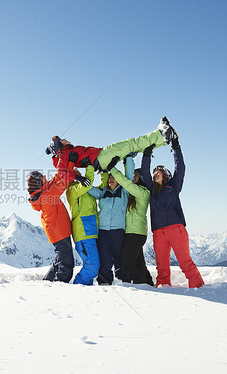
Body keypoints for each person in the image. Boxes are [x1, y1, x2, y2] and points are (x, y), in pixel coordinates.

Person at [140, 119, 205, 288]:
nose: (155, 174)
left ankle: (198, 286)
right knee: (162, 267)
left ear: (165, 175)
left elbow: (180, 167)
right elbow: (145, 172)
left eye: (158, 172)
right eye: (154, 173)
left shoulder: (173, 186)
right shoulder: (151, 189)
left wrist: (175, 146)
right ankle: (163, 289)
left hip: (177, 229)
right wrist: (147, 154)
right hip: (158, 233)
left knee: (185, 263)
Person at [28, 148, 88, 283]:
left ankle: (47, 282)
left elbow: (58, 177)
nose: (45, 176)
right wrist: (71, 162)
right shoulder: (47, 195)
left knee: (59, 261)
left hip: (57, 232)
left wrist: (67, 161)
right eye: (42, 177)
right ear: (39, 183)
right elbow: (63, 180)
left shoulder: (44, 191)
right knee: (66, 264)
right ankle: (60, 284)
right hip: (59, 232)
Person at [46, 116, 177, 173]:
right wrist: (78, 178)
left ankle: (165, 140)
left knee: (134, 148)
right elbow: (62, 173)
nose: (65, 139)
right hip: (101, 157)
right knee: (131, 143)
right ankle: (162, 133)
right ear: (59, 146)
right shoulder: (64, 154)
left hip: (101, 159)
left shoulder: (68, 152)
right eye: (62, 140)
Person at [87, 156, 134, 285]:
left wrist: (128, 158)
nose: (111, 179)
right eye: (110, 177)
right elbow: (89, 189)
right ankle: (104, 282)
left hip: (118, 231)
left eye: (114, 177)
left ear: (119, 181)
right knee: (105, 259)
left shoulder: (124, 192)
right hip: (103, 232)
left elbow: (129, 177)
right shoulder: (103, 193)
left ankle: (124, 281)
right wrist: (82, 179)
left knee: (120, 259)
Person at [108, 165, 154, 286]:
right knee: (139, 263)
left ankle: (141, 283)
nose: (133, 177)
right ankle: (148, 283)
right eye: (132, 174)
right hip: (131, 232)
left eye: (136, 175)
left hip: (136, 233)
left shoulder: (144, 192)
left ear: (141, 178)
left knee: (126, 263)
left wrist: (111, 168)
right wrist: (126, 162)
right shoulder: (131, 194)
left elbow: (126, 183)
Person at [65, 165, 100, 285]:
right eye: (74, 174)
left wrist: (104, 173)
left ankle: (87, 293)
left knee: (91, 266)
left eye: (78, 172)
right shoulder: (72, 190)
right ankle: (77, 287)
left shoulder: (85, 190)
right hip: (83, 234)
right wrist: (90, 167)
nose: (78, 174)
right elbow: (87, 184)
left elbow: (100, 190)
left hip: (91, 232)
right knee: (93, 267)